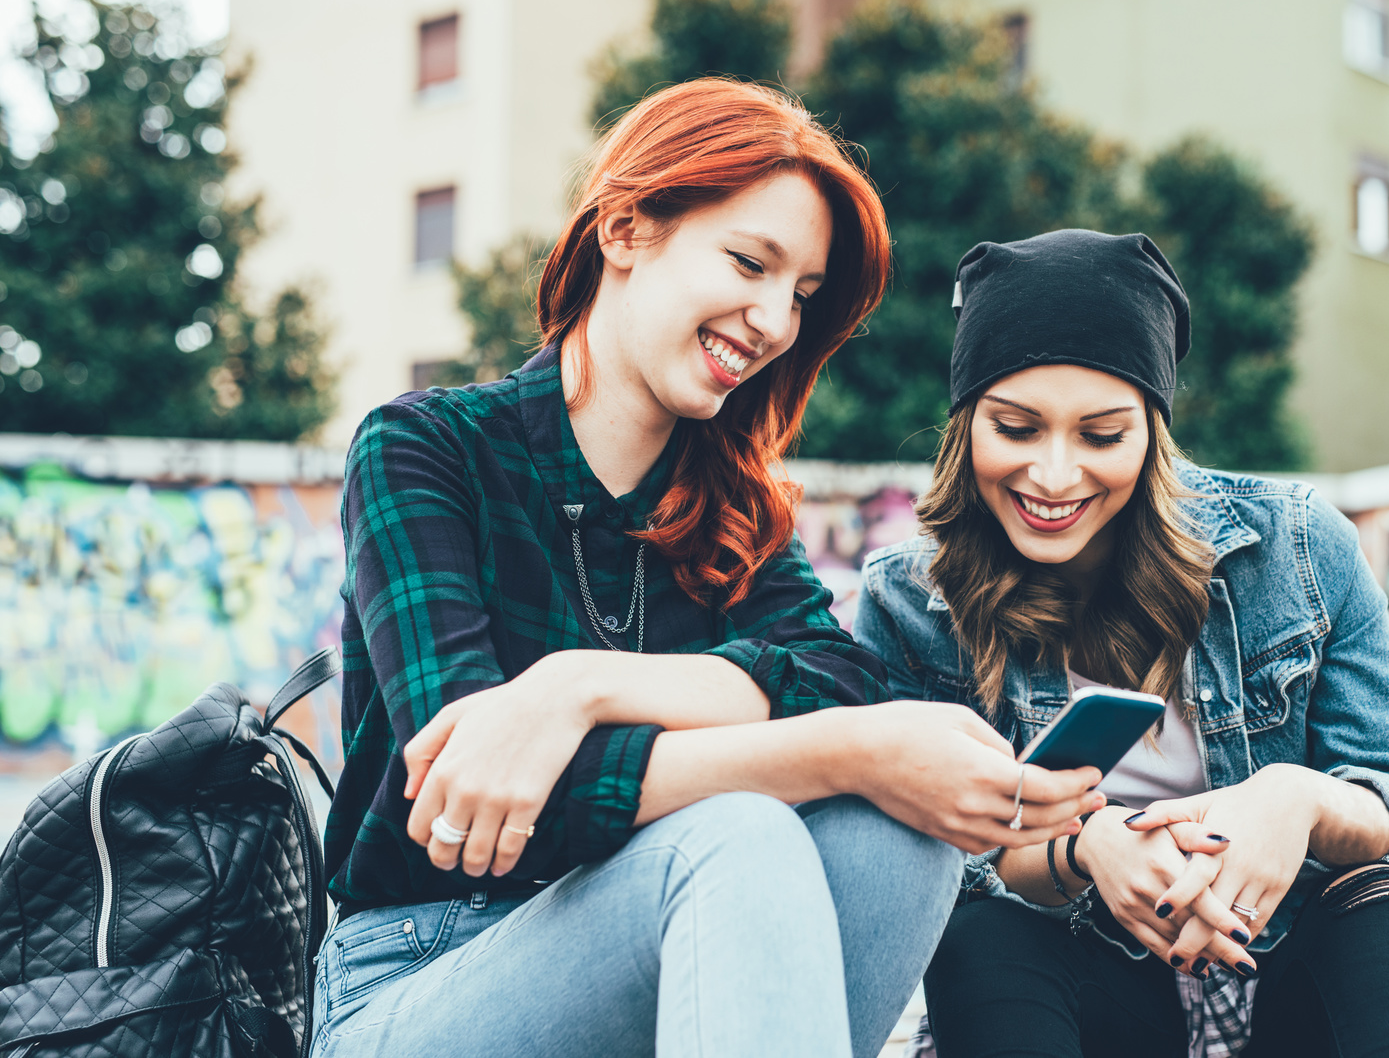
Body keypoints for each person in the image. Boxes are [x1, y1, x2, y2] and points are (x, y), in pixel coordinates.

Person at [311, 82, 1104, 1058]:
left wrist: (582, 687)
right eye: (748, 262)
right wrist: (839, 751)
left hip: (667, 961)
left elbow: (837, 676)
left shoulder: (734, 504)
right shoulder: (426, 448)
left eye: (802, 297)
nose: (773, 321)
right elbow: (469, 804)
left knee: (895, 833)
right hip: (420, 972)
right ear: (626, 228)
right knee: (743, 830)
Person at [854, 230, 1389, 1058]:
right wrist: (1080, 851)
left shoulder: (1294, 547)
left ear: (1151, 431)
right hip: (1093, 996)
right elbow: (913, 863)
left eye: (1100, 435)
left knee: (1388, 897)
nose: (1052, 475)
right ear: (965, 424)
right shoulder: (908, 601)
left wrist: (1295, 802)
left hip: (1287, 982)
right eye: (1014, 427)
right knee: (982, 931)